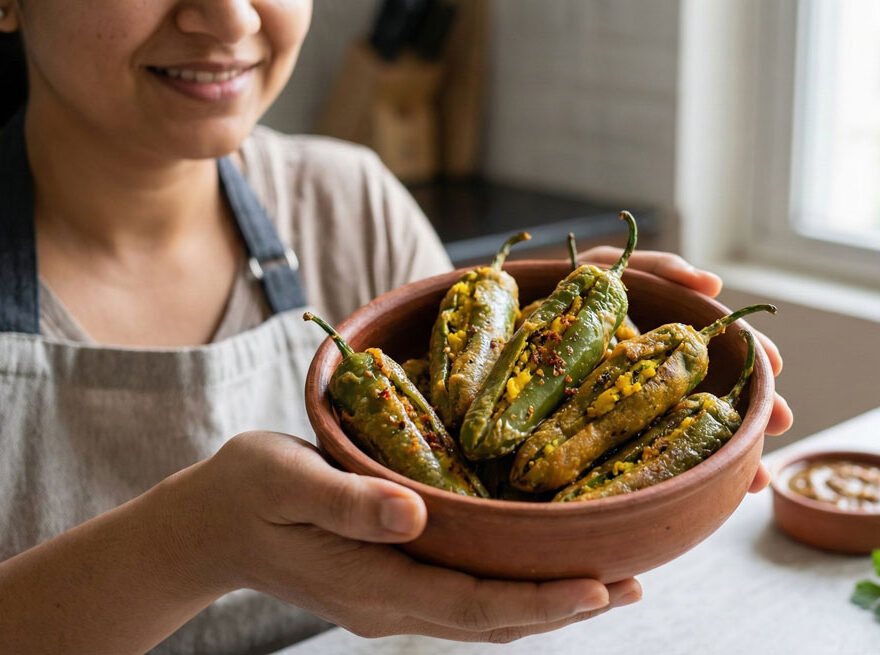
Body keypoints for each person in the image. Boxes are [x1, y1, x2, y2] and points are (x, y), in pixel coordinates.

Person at [0, 1, 794, 653]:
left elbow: (490, 487)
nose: (232, 16)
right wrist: (195, 542)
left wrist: (574, 333)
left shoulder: (352, 206)